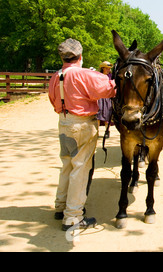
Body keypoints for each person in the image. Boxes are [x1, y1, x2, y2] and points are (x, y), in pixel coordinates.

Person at [48, 39, 116, 231]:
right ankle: (73, 217)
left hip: (64, 121)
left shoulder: (56, 76)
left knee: (67, 164)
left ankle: (61, 206)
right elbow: (109, 89)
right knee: (81, 168)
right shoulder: (85, 74)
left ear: (62, 57)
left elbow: (52, 99)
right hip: (82, 124)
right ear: (80, 56)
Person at [97, 61, 113, 138]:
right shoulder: (98, 76)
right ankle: (96, 132)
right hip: (100, 97)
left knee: (108, 114)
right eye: (107, 68)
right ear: (103, 68)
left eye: (109, 69)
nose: (108, 70)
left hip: (108, 97)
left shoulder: (111, 76)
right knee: (98, 114)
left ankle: (107, 131)